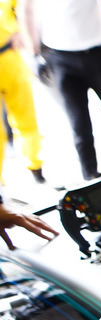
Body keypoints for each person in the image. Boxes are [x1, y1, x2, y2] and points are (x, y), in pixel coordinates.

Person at [17, 0, 101, 180]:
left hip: (97, 53)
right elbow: (25, 11)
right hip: (61, 58)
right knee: (79, 125)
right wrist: (33, 54)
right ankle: (91, 178)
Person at [0, 0, 46, 185]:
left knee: (26, 119)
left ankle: (35, 167)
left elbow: (24, 8)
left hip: (10, 59)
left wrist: (20, 31)